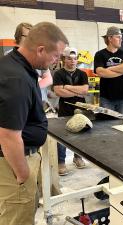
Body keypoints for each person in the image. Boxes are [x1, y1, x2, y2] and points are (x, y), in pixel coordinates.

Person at [0, 22, 68, 225]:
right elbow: (8, 136)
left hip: (13, 159)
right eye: (55, 56)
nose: (56, 62)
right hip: (13, 163)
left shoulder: (13, 64)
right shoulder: (17, 79)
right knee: (16, 217)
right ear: (40, 50)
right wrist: (22, 174)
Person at [53, 47, 89, 176]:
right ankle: (61, 162)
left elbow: (85, 91)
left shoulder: (83, 74)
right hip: (65, 109)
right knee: (62, 136)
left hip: (80, 109)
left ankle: (77, 157)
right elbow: (58, 92)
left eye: (75, 58)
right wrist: (76, 91)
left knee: (80, 134)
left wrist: (67, 87)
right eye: (69, 58)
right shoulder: (58, 74)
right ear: (63, 59)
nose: (72, 61)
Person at [11, 22, 53, 104]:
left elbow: (49, 79)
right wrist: (37, 81)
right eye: (27, 36)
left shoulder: (38, 55)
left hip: (40, 102)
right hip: (21, 102)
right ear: (18, 37)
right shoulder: (10, 57)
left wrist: (33, 86)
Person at [94, 26, 123, 115]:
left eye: (121, 37)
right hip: (106, 98)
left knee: (122, 124)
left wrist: (109, 69)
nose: (121, 40)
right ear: (110, 38)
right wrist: (121, 68)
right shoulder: (100, 54)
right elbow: (100, 72)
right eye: (118, 37)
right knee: (107, 124)